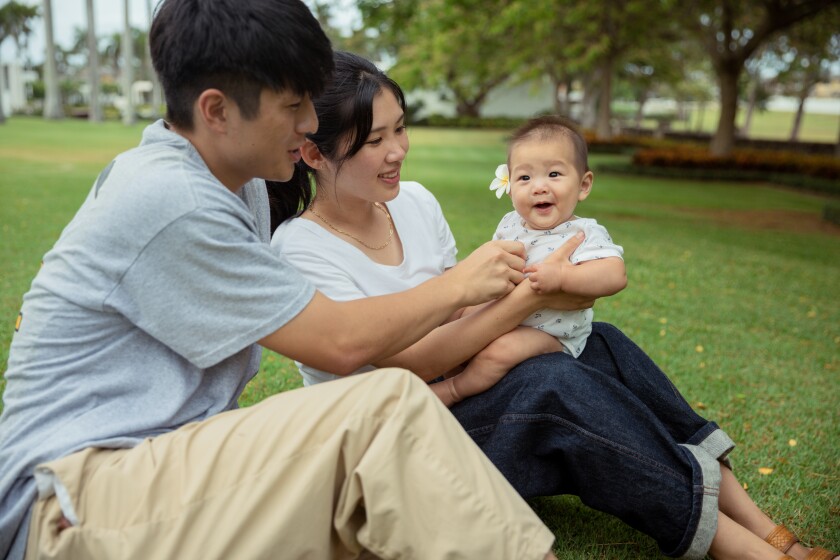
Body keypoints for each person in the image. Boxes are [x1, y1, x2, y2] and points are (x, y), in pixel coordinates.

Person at [0, 2, 563, 559]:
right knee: (381, 409)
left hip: (154, 468)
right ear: (216, 111)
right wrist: (460, 285)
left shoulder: (227, 179)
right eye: (293, 105)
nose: (310, 124)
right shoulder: (173, 198)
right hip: (71, 503)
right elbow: (340, 343)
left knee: (385, 494)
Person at [268, 51, 838, 560]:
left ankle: (763, 526)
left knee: (602, 343)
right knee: (549, 382)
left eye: (401, 130)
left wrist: (539, 294)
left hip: (459, 385)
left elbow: (461, 318)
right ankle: (739, 548)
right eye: (374, 142)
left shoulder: (412, 201)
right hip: (396, 441)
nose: (397, 152)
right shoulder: (302, 246)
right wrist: (527, 299)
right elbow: (409, 362)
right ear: (314, 152)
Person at [448, 116, 627, 395]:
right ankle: (447, 370)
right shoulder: (510, 223)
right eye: (524, 177)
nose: (538, 187)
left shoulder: (582, 232)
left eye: (554, 174)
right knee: (456, 315)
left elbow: (615, 275)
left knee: (499, 353)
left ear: (583, 185)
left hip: (550, 332)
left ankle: (454, 391)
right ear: (510, 187)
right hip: (504, 314)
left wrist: (564, 276)